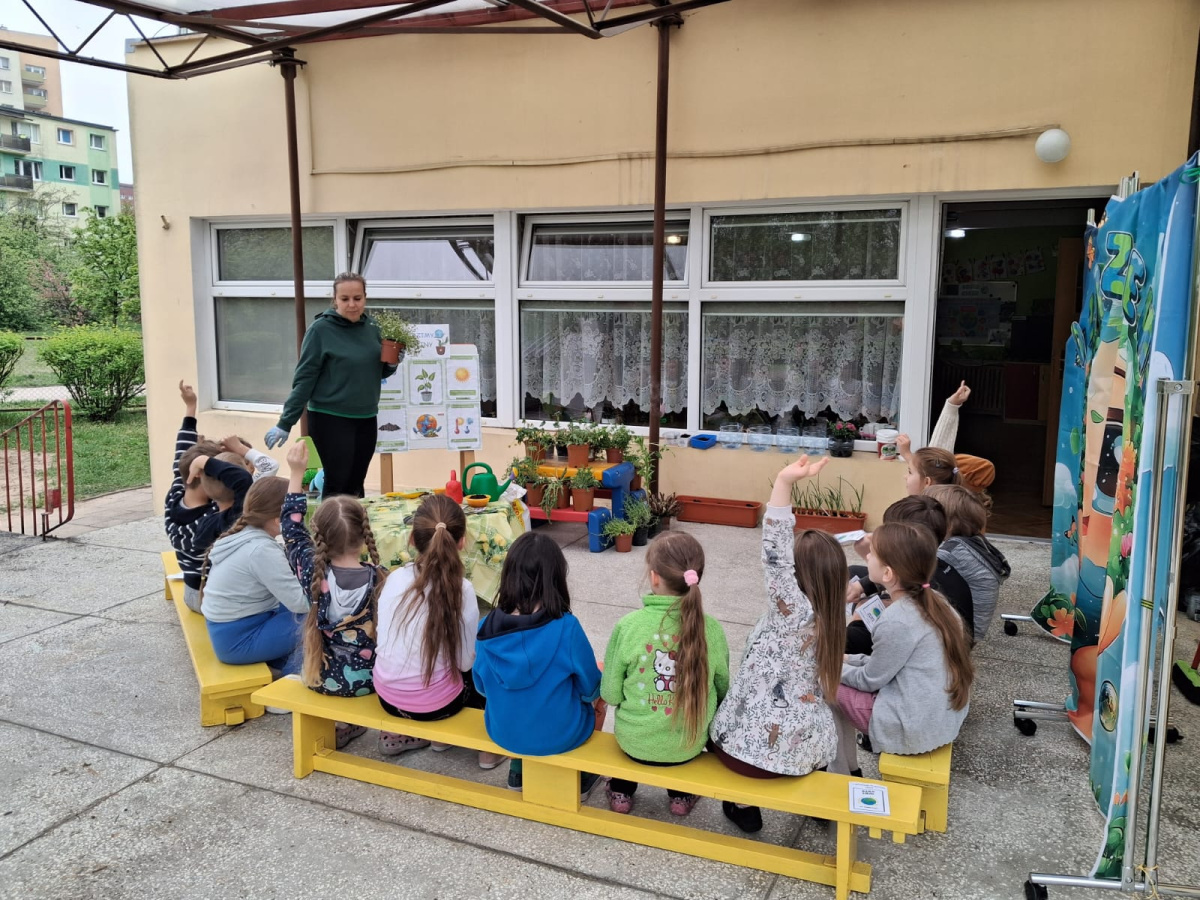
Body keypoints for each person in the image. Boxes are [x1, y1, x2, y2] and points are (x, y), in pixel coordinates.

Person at [707, 455, 847, 834]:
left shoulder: (792, 613)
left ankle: (743, 805)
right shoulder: (835, 616)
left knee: (722, 726)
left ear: (797, 578)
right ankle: (817, 797)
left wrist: (784, 483)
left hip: (745, 757)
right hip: (807, 755)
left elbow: (775, 557)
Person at [601, 532, 730, 817]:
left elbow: (610, 694)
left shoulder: (629, 626)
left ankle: (621, 790)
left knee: (637, 738)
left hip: (633, 743)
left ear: (654, 577)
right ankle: (681, 796)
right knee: (677, 736)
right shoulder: (712, 629)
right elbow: (723, 690)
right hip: (688, 747)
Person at [373, 494, 506, 769]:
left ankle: (439, 739)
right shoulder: (462, 590)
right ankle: (487, 749)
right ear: (462, 541)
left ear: (412, 539)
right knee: (489, 665)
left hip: (387, 697)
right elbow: (465, 663)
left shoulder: (394, 578)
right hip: (438, 705)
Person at [835, 522, 975, 774]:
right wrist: (847, 660)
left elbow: (869, 680)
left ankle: (842, 772)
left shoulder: (896, 620)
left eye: (872, 554)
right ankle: (847, 769)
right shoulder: (938, 602)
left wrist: (830, 668)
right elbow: (890, 663)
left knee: (821, 684)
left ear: (888, 574)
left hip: (912, 727)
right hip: (941, 717)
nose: (867, 557)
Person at [474, 532, 604, 797]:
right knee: (601, 678)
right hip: (560, 736)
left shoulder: (486, 627)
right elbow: (590, 688)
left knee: (518, 701)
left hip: (503, 733)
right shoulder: (567, 627)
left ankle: (518, 770)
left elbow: (482, 687)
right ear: (556, 578)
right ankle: (582, 776)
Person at [282, 441, 387, 749]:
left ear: (320, 536)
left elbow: (291, 531)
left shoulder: (313, 573)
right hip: (370, 683)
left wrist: (296, 473)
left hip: (321, 680)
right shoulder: (382, 578)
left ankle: (342, 725)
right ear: (364, 536)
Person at [264, 272, 398, 498]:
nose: (352, 304)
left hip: (366, 416)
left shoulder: (373, 327)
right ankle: (330, 522)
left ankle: (355, 522)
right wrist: (285, 422)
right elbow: (304, 379)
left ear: (365, 297)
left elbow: (377, 371)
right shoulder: (320, 330)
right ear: (335, 299)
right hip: (330, 417)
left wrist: (392, 364)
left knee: (356, 483)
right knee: (337, 483)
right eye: (345, 299)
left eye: (357, 298)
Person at [199, 476, 307, 675]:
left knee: (300, 610)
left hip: (229, 631)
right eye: (299, 514)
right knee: (320, 618)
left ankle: (284, 662)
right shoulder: (261, 550)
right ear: (279, 519)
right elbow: (302, 603)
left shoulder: (245, 534)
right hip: (239, 641)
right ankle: (293, 681)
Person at [845, 495, 975, 653]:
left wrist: (858, 619)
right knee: (854, 573)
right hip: (935, 629)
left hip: (931, 648)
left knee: (853, 632)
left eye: (887, 531)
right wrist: (861, 586)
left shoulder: (920, 594)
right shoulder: (927, 566)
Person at [163, 379, 225, 613]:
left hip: (192, 592)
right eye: (223, 475)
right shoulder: (214, 516)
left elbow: (182, 452)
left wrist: (191, 407)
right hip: (212, 597)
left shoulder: (176, 494)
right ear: (204, 476)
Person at [923, 484, 1010, 640]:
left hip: (958, 637)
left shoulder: (950, 552)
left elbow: (913, 577)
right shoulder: (972, 543)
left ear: (947, 524)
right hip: (969, 629)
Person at [897, 381, 996, 499]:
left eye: (910, 472)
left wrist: (907, 454)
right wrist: (951, 406)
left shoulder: (932, 507)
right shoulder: (949, 500)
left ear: (928, 482)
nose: (905, 476)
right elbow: (934, 458)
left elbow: (934, 457)